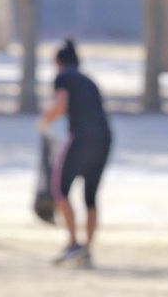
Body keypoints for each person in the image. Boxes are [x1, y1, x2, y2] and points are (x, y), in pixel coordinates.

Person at [37, 40, 112, 268]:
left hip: (80, 138)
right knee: (90, 196)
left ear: (59, 62)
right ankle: (86, 250)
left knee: (60, 190)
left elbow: (60, 106)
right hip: (104, 138)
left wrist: (44, 122)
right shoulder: (89, 80)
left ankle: (72, 243)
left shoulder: (63, 78)